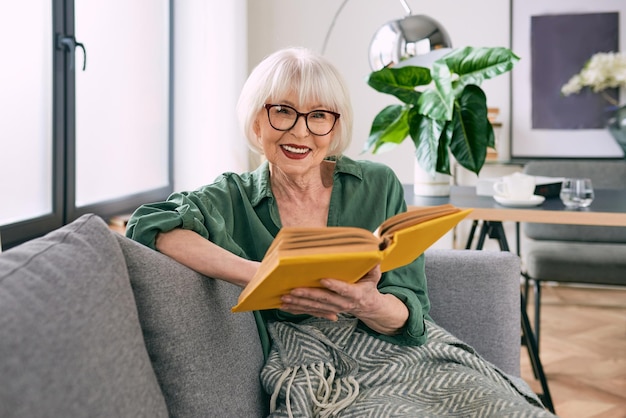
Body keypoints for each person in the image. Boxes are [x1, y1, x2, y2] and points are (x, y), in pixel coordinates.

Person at [126, 47, 555, 417]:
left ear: (335, 127)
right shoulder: (232, 196)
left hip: (395, 346)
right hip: (313, 360)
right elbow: (147, 224)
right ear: (257, 121)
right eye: (282, 111)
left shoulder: (377, 183)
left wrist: (369, 302)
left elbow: (413, 312)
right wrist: (256, 273)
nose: (300, 131)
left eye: (318, 116)